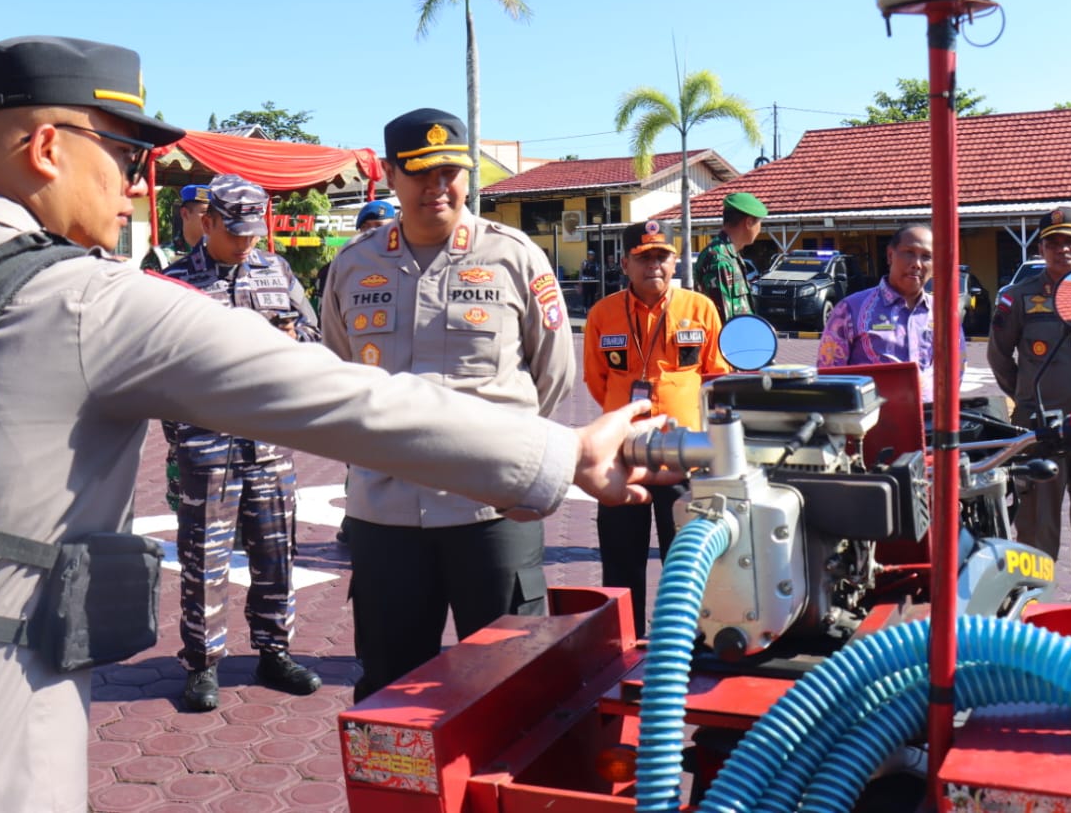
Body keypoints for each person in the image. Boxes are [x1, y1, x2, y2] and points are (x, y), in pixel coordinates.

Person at [0, 36, 669, 813]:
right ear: (50, 149)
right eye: (128, 155)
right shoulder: (84, 299)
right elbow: (340, 394)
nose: (141, 182)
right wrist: (565, 452)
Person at [320, 107, 576, 702]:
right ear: (389, 174)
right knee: (390, 687)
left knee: (513, 684)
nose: (438, 185)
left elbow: (555, 374)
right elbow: (335, 375)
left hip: (491, 513)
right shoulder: (353, 265)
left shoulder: (514, 257)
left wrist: (509, 461)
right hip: (385, 517)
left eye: (450, 171)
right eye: (420, 172)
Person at [161, 174, 323, 713]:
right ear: (206, 222)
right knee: (203, 560)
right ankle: (202, 663)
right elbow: (156, 368)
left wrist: (290, 340)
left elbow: (315, 338)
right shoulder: (175, 282)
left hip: (271, 444)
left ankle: (274, 652)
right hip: (205, 446)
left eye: (255, 231)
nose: (248, 241)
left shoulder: (276, 271)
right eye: (236, 232)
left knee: (278, 554)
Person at [583, 220, 727, 636]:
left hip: (685, 455)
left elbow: (715, 376)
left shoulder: (700, 309)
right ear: (625, 263)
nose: (654, 267)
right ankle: (623, 638)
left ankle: (688, 639)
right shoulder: (602, 313)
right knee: (620, 554)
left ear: (675, 260)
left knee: (687, 557)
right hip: (622, 455)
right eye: (644, 259)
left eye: (662, 257)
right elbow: (597, 381)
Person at [986, 206, 1071, 607]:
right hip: (1041, 430)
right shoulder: (1018, 298)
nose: (1062, 248)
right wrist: (1027, 398)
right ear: (1041, 248)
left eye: (1070, 240)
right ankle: (1032, 601)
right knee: (1036, 522)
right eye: (1053, 241)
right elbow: (999, 357)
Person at [816, 223, 960, 404]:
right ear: (890, 255)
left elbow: (956, 370)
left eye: (926, 257)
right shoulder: (850, 309)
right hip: (871, 422)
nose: (916, 264)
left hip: (931, 422)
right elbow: (827, 376)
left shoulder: (944, 314)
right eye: (909, 252)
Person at [693, 191, 768, 322]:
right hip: (727, 341)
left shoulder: (730, 255)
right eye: (759, 223)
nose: (759, 229)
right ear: (749, 222)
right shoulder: (720, 259)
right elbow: (722, 321)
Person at [140, 184, 209, 270]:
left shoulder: (221, 253)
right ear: (185, 214)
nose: (212, 219)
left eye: (216, 214)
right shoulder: (162, 256)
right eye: (205, 212)